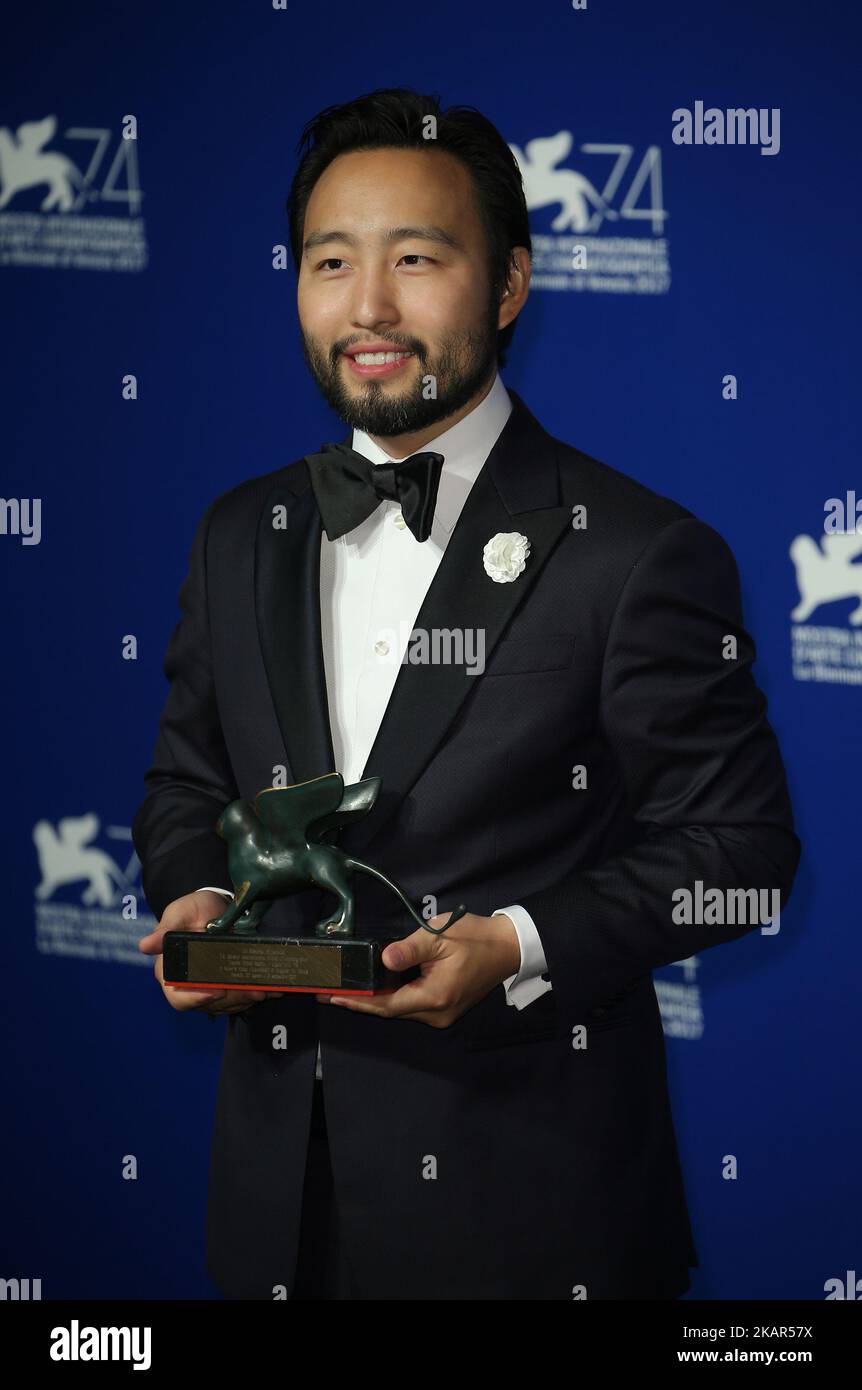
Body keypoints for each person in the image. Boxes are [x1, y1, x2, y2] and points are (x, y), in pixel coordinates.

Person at [134, 87, 800, 1301]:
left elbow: (742, 845)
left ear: (506, 286)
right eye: (331, 261)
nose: (369, 306)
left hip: (534, 1225)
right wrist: (198, 898)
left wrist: (518, 943)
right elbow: (187, 781)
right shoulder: (239, 531)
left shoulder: (635, 551)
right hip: (275, 1214)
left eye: (417, 258)